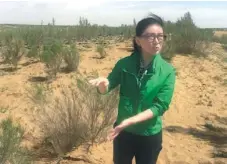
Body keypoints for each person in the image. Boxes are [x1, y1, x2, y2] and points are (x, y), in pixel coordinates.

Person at [89, 14, 176, 164]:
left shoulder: (167, 71)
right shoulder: (124, 64)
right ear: (138, 40)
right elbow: (107, 87)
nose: (156, 41)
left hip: (149, 134)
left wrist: (129, 121)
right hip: (123, 133)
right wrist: (103, 86)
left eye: (160, 36)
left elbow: (159, 107)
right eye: (150, 36)